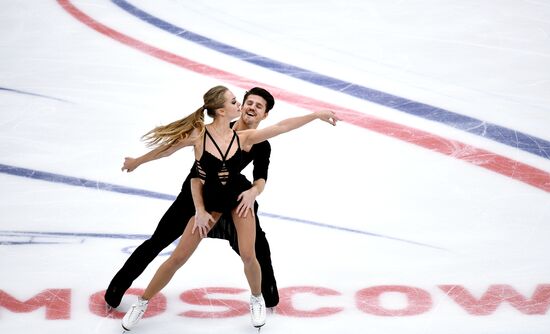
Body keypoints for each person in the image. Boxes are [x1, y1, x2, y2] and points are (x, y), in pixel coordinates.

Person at [120, 85, 338, 331]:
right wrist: (138, 162)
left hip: (236, 201)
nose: (241, 105)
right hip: (209, 204)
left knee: (249, 254)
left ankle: (256, 298)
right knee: (177, 258)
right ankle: (142, 302)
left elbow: (282, 127)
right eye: (235, 102)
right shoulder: (198, 136)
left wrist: (314, 115)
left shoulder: (244, 139)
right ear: (222, 111)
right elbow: (169, 152)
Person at [104, 87, 279, 310]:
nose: (252, 107)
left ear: (265, 115)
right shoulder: (216, 128)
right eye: (249, 102)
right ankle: (116, 289)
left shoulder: (261, 143)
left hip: (228, 200)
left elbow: (261, 176)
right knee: (158, 241)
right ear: (239, 106)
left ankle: (269, 298)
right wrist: (138, 160)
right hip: (193, 196)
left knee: (258, 247)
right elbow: (171, 148)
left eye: (259, 106)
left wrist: (254, 191)